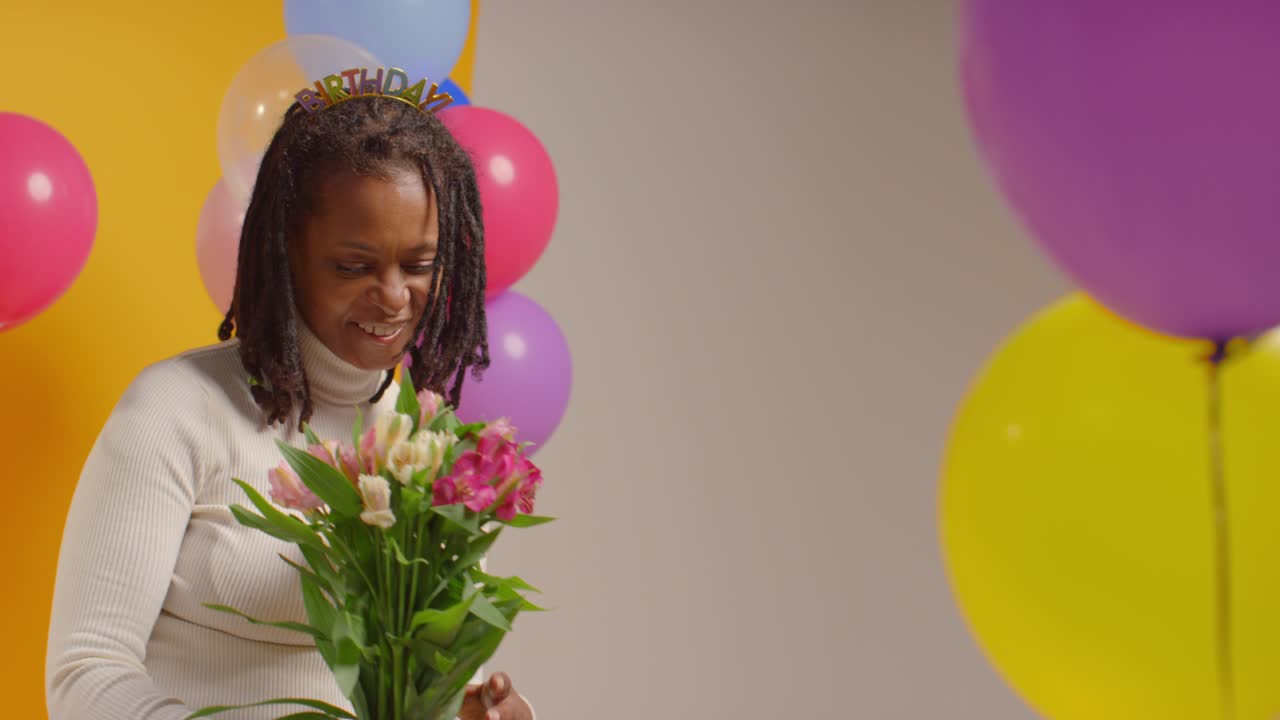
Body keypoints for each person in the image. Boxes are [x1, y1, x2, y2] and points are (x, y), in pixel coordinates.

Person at [45, 78, 535, 720]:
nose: (392, 296)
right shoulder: (177, 410)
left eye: (418, 264)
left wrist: (462, 711)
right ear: (287, 253)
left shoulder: (427, 450)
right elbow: (85, 677)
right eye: (354, 266)